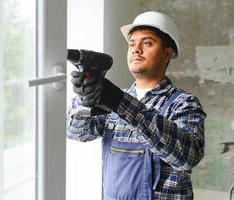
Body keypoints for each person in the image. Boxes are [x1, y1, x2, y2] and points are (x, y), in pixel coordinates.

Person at [67, 11, 206, 200]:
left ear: (167, 53)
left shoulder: (183, 103)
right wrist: (84, 101)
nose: (136, 49)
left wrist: (119, 102)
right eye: (132, 44)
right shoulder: (109, 99)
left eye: (147, 43)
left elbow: (189, 157)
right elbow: (76, 132)